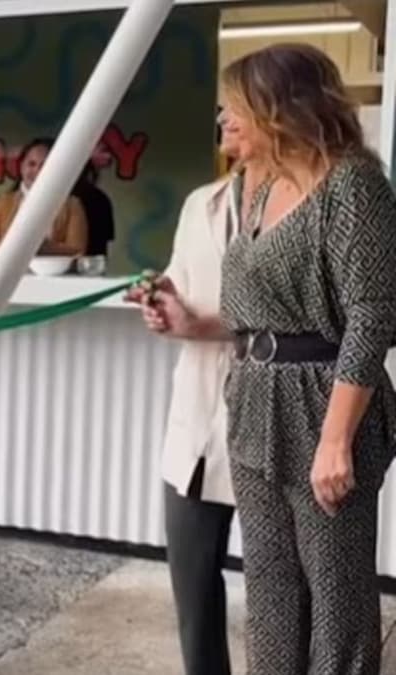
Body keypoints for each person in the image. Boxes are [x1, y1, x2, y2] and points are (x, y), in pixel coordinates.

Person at [147, 43, 396, 674]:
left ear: (281, 109)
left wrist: (337, 440)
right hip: (255, 399)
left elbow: (371, 316)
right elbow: (255, 310)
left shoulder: (353, 183)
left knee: (335, 602)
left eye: (237, 107)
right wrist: (188, 320)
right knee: (272, 593)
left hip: (322, 402)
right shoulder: (262, 192)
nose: (225, 120)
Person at [124, 108, 258, 675]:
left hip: (270, 419)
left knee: (283, 598)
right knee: (193, 591)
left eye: (240, 104)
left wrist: (200, 325)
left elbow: (308, 317)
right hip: (196, 425)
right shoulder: (199, 203)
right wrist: (161, 296)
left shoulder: (309, 203)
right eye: (223, 104)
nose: (224, 115)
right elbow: (183, 275)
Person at [0, 137, 88, 257]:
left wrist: (43, 247)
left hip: (56, 275)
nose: (38, 170)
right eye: (31, 164)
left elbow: (78, 251)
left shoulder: (72, 205)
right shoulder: (2, 203)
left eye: (45, 165)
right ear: (22, 167)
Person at [72, 161, 115, 257]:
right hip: (94, 262)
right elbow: (107, 239)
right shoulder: (101, 197)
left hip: (66, 262)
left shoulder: (63, 199)